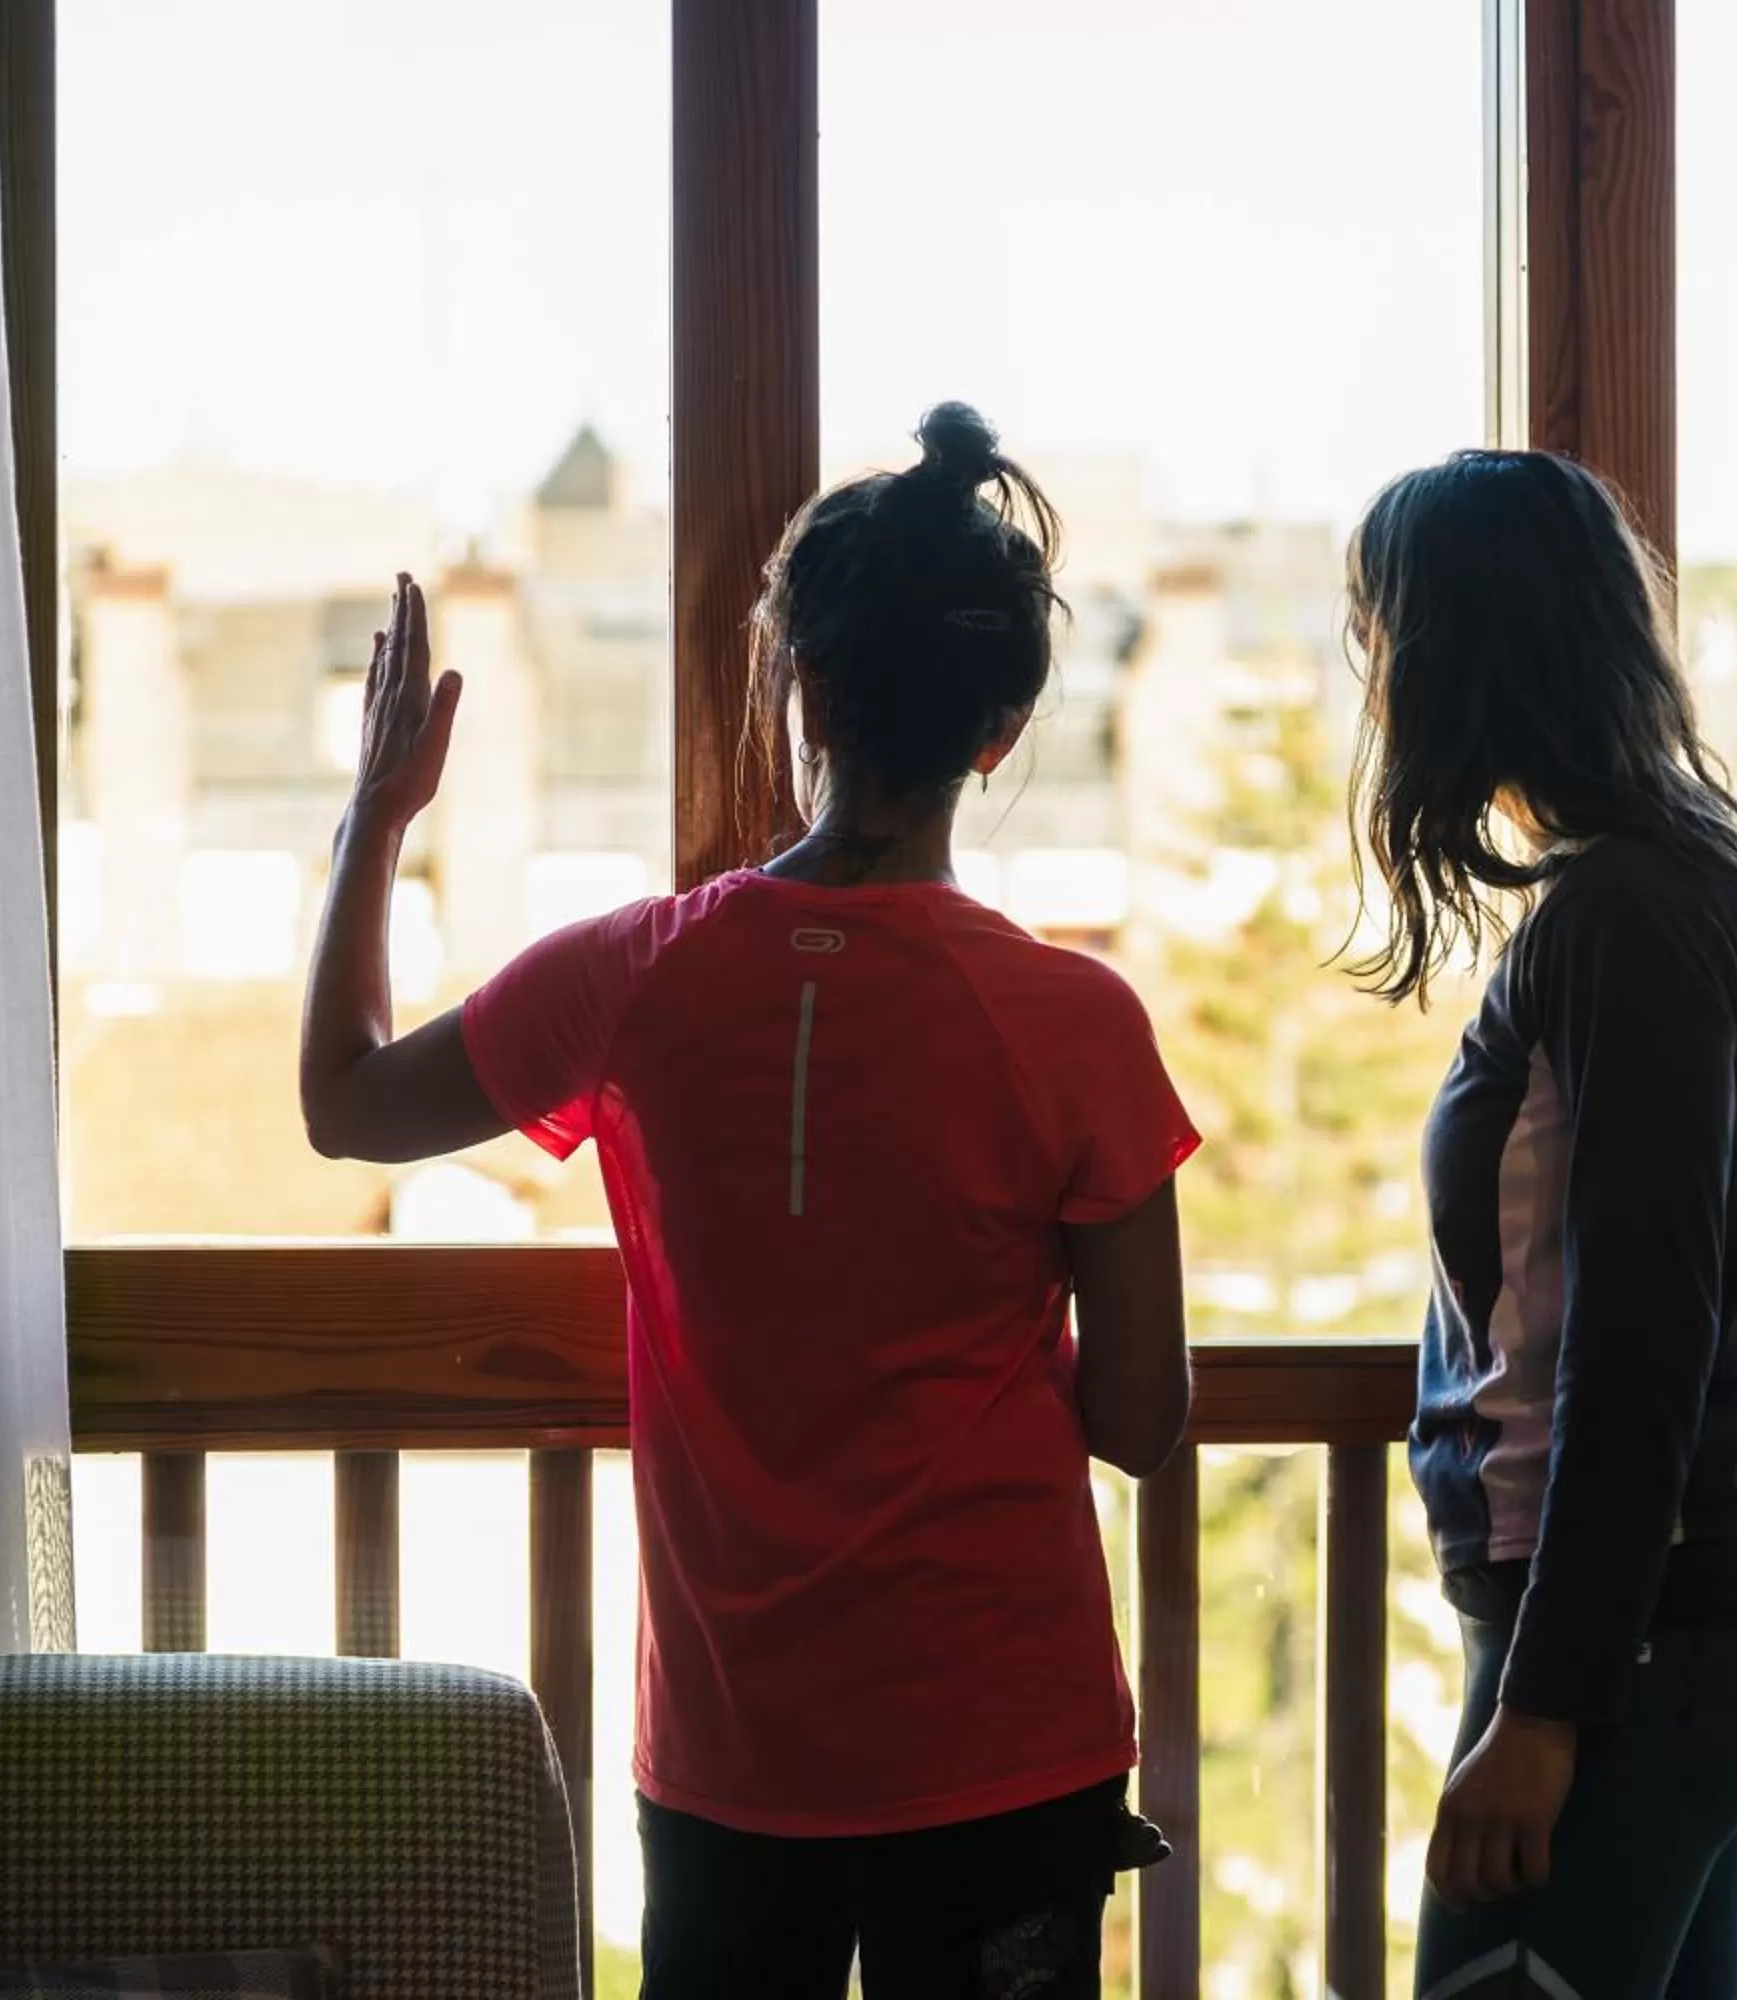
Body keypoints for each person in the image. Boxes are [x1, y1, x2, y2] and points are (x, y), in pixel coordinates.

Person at [299, 403, 1196, 1999]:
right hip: (1004, 1728)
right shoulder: (1077, 1024)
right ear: (998, 731)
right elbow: (1138, 1414)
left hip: (734, 1743)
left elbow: (346, 1104)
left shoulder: (635, 977)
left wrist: (378, 814)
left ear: (802, 691)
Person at [1345, 450, 1737, 1999]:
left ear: (1461, 655)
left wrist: (1545, 1711)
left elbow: (1643, 1330)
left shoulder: (1631, 916)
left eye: (1380, 635)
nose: (1369, 679)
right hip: (1658, 1633)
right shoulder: (1653, 893)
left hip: (1642, 1650)